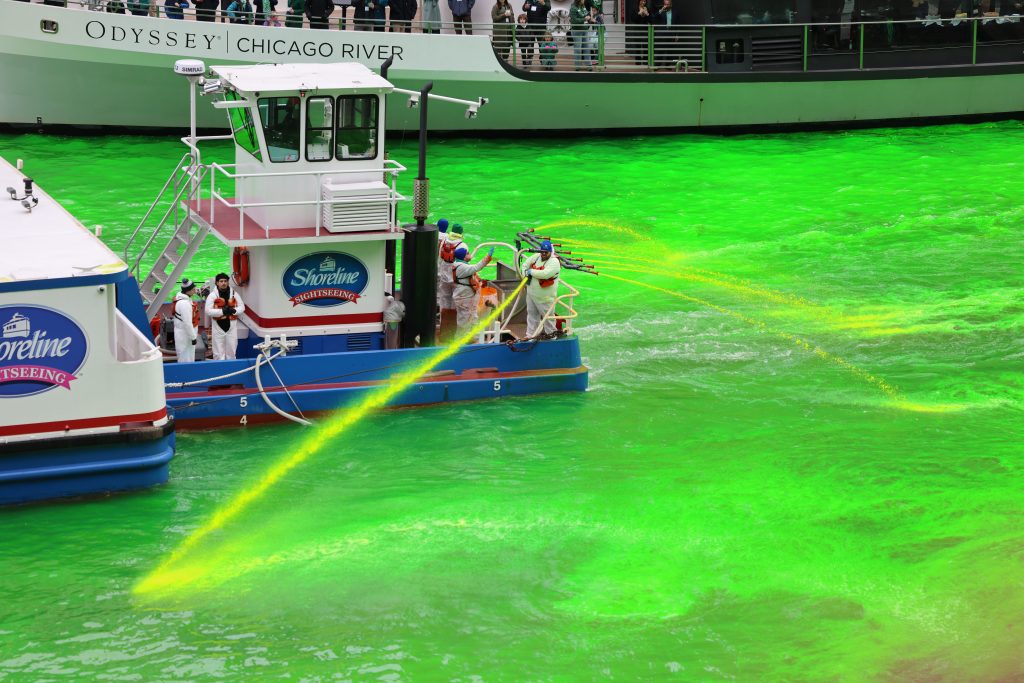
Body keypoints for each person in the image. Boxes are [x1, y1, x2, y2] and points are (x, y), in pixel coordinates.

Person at [520, 239, 560, 339]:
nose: (543, 254)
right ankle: (530, 335)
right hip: (531, 294)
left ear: (550, 252)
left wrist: (530, 272)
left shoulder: (554, 262)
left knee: (548, 318)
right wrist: (525, 274)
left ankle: (552, 336)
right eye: (542, 252)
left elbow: (545, 274)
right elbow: (524, 265)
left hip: (545, 298)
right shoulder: (536, 257)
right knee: (532, 315)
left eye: (546, 252)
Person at [451, 246, 494, 339]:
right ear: (463, 257)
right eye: (467, 253)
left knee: (472, 317)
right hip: (464, 298)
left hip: (467, 297)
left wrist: (480, 282)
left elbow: (471, 276)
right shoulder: (462, 267)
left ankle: (474, 338)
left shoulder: (460, 265)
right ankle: (459, 341)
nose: (469, 254)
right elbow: (477, 267)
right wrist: (488, 256)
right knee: (464, 320)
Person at [205, 273, 246, 360]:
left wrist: (234, 311)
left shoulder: (234, 294)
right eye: (221, 281)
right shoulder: (212, 296)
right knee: (218, 353)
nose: (223, 283)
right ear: (217, 283)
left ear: (228, 282)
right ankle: (218, 366)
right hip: (218, 327)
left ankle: (232, 367)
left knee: (232, 350)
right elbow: (208, 311)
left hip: (231, 327)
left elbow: (242, 307)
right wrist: (222, 311)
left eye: (225, 281)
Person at [172, 279, 199, 363]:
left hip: (184, 333)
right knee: (186, 357)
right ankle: (186, 371)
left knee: (187, 356)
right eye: (193, 289)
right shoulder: (184, 304)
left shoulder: (184, 300)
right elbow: (187, 323)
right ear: (188, 291)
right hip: (185, 335)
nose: (195, 290)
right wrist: (193, 337)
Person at [521, 0, 550, 66]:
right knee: (530, 44)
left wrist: (543, 3)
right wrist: (525, 7)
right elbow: (523, 8)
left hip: (541, 27)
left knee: (542, 44)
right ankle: (529, 58)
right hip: (530, 27)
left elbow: (548, 8)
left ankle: (542, 59)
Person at [627, 0, 652, 64]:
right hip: (637, 30)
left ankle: (645, 61)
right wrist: (639, 13)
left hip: (645, 30)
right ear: (639, 1)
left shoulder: (647, 9)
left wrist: (647, 14)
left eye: (644, 1)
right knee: (637, 46)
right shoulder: (635, 9)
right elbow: (633, 19)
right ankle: (638, 61)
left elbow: (651, 20)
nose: (643, 2)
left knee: (645, 46)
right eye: (642, 1)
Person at [653, 0, 675, 68]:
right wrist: (661, 9)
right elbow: (654, 17)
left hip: (671, 33)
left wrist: (677, 34)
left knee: (670, 51)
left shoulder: (675, 13)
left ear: (671, 5)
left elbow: (678, 23)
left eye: (668, 4)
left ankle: (667, 66)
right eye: (665, 4)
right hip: (661, 34)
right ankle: (657, 65)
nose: (666, 5)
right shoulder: (661, 11)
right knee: (660, 50)